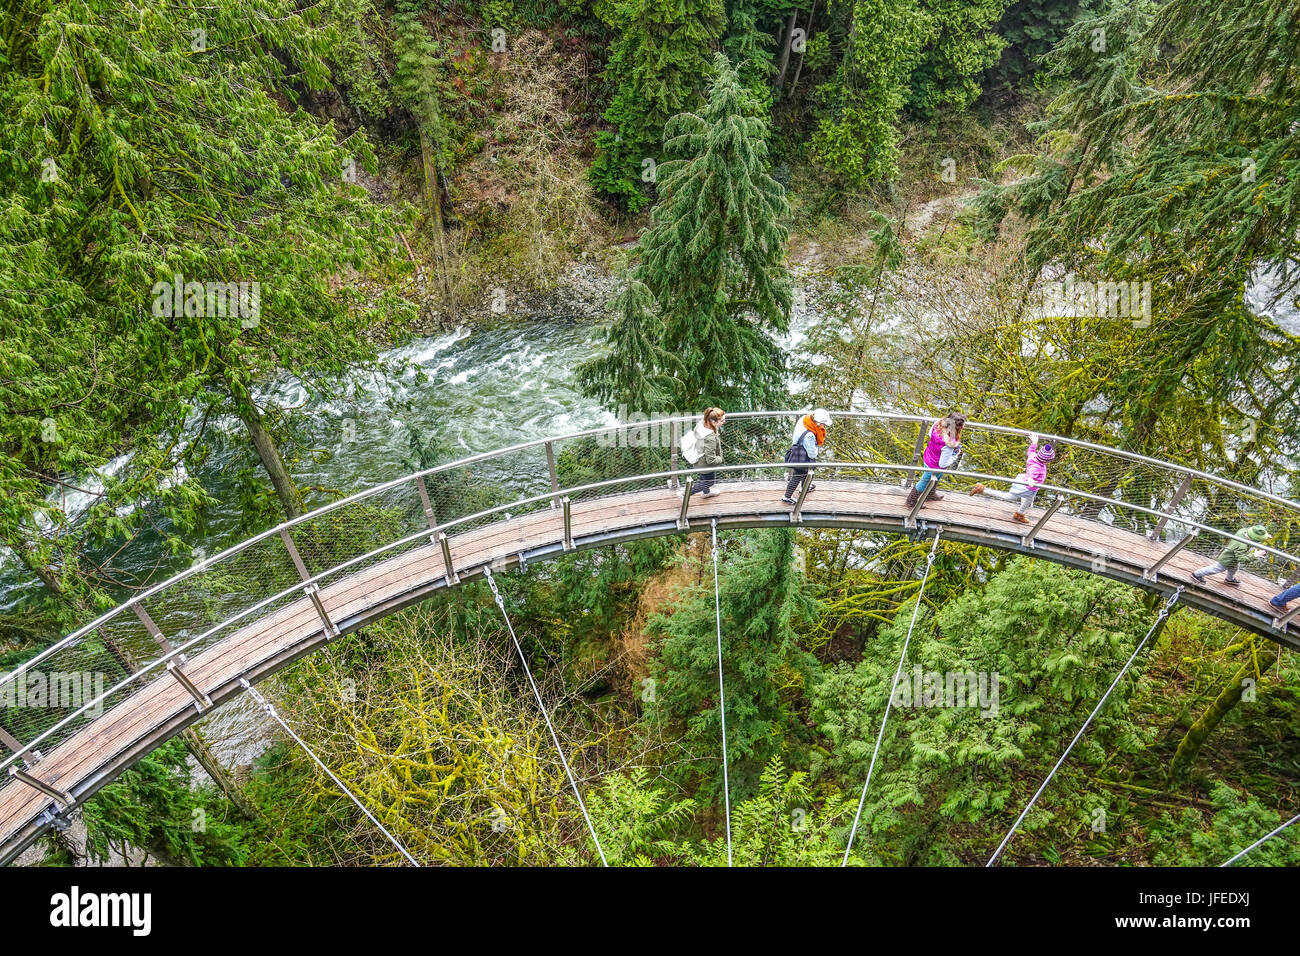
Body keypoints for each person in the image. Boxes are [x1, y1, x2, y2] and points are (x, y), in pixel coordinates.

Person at [969, 431, 1056, 523]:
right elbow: (1031, 473)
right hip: (1027, 487)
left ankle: (1019, 514)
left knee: (1029, 499)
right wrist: (1030, 479)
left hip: (1031, 487)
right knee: (1008, 497)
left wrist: (1034, 443)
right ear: (1046, 461)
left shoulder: (1033, 456)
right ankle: (982, 490)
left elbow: (1030, 451)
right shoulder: (1037, 467)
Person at [905, 412, 966, 509]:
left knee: (938, 475)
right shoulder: (949, 444)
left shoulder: (938, 424)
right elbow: (943, 464)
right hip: (934, 465)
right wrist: (955, 455)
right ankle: (911, 501)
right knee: (924, 481)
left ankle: (930, 494)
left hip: (929, 455)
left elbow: (930, 434)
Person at [1193, 524, 1271, 587]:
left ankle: (1229, 579)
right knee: (1215, 569)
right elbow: (1242, 559)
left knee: (1234, 568)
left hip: (1233, 559)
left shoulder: (1242, 531)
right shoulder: (1242, 545)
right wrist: (1254, 555)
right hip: (1227, 560)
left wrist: (1264, 536)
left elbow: (1254, 534)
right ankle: (1196, 574)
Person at [782, 408, 831, 504]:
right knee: (799, 475)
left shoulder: (804, 419)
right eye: (823, 424)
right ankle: (787, 497)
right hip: (803, 456)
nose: (823, 426)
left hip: (797, 450)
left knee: (806, 472)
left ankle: (804, 487)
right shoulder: (810, 435)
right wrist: (816, 449)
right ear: (818, 423)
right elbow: (812, 453)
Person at [687, 407, 725, 498]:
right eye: (722, 421)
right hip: (705, 464)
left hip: (699, 458)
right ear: (713, 422)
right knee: (709, 482)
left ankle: (706, 493)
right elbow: (711, 460)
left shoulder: (703, 423)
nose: (724, 422)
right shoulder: (709, 437)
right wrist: (720, 458)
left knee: (704, 478)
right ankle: (687, 493)